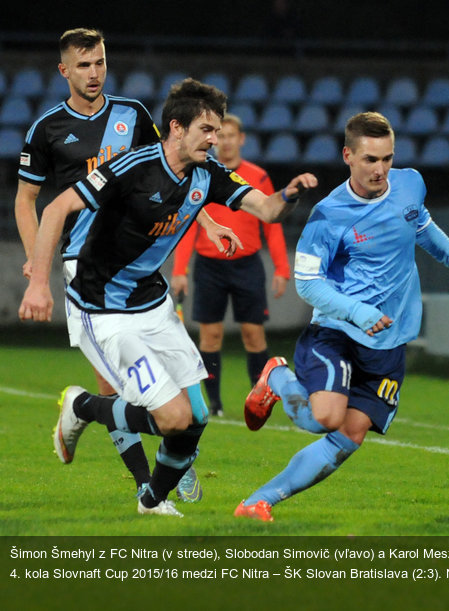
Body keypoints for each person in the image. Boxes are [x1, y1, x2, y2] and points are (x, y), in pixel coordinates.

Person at [18, 78, 318, 517]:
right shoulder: (130, 167)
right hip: (102, 307)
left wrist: (290, 195)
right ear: (176, 128)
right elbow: (56, 208)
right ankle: (83, 405)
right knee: (174, 418)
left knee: (197, 416)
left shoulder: (208, 174)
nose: (215, 140)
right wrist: (39, 284)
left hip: (151, 303)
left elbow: (268, 209)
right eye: (207, 130)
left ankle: (150, 500)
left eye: (218, 131)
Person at [234, 111, 449, 522]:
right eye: (370, 159)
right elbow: (309, 284)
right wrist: (357, 311)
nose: (381, 169)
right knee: (326, 419)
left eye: (387, 158)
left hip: (389, 341)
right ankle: (277, 376)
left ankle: (255, 503)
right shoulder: (328, 216)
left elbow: (422, 227)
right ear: (348, 155)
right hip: (337, 332)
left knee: (350, 436)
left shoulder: (409, 185)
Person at [13, 28, 164, 495]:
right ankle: (149, 490)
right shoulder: (47, 129)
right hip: (85, 264)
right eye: (83, 65)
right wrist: (38, 264)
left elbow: (164, 172)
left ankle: (79, 410)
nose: (94, 72)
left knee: (164, 378)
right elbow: (26, 200)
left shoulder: (133, 115)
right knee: (114, 385)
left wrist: (209, 223)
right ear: (64, 71)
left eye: (99, 62)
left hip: (137, 259)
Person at [171, 114, 291, 417]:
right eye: (220, 135)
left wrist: (281, 268)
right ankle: (216, 405)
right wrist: (179, 271)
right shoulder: (202, 173)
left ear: (241, 139)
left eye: (230, 135)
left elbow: (272, 224)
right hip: (209, 266)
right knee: (210, 336)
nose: (225, 141)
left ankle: (260, 401)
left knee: (254, 335)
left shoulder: (257, 176)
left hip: (246, 265)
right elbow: (189, 222)